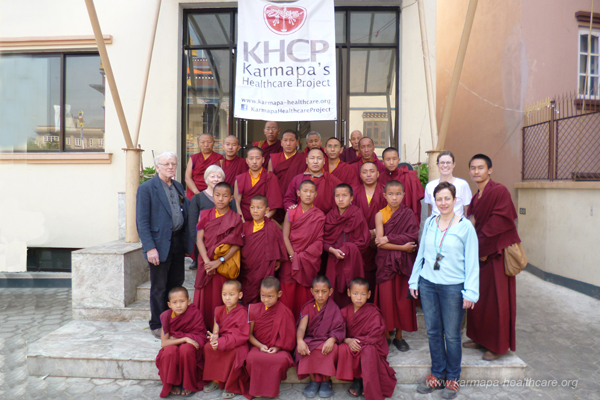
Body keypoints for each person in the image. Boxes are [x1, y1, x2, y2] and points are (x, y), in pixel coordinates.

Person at [408, 181, 479, 399]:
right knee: (433, 332)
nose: (443, 202)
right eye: (439, 199)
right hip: (428, 284)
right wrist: (414, 280)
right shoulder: (430, 222)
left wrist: (470, 292)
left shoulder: (465, 227)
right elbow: (421, 253)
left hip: (453, 287)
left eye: (447, 198)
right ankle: (437, 374)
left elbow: (472, 262)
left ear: (455, 200)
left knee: (452, 334)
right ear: (434, 202)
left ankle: (452, 378)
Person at [464, 154, 520, 361]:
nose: (476, 171)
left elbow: (500, 221)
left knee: (497, 302)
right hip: (479, 254)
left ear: (490, 170)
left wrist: (477, 243)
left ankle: (497, 346)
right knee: (479, 300)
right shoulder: (476, 196)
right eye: (473, 168)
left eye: (480, 167)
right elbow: (472, 221)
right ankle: (480, 338)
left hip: (495, 254)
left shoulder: (499, 191)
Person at [137, 151, 189, 338]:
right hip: (158, 245)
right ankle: (157, 324)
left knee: (176, 283)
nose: (170, 167)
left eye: (173, 164)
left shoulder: (177, 186)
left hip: (176, 242)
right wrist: (150, 248)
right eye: (166, 164)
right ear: (157, 167)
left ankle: (173, 320)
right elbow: (142, 222)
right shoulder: (147, 188)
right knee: (159, 287)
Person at [374, 180, 419, 352]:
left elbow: (412, 237)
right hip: (386, 264)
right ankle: (386, 335)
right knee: (386, 301)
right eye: (391, 194)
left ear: (403, 195)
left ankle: (399, 336)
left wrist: (389, 238)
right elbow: (380, 243)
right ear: (384, 195)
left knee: (402, 300)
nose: (394, 197)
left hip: (403, 265)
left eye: (398, 194)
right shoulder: (380, 214)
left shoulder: (408, 214)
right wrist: (402, 247)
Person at [335, 278, 397, 400]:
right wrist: (347, 340)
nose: (359, 298)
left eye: (363, 294)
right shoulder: (344, 312)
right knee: (343, 348)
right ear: (349, 293)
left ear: (369, 295)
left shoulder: (373, 312)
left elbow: (377, 334)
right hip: (352, 344)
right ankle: (358, 379)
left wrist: (358, 341)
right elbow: (337, 331)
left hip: (368, 345)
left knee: (368, 351)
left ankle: (367, 383)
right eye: (355, 293)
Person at [193, 182, 243, 330]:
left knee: (220, 297)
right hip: (206, 263)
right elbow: (199, 239)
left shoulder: (235, 218)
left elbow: (236, 244)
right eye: (217, 195)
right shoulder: (205, 214)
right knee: (205, 298)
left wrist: (219, 261)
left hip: (224, 266)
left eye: (225, 196)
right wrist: (208, 262)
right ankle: (202, 329)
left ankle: (221, 331)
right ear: (212, 196)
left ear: (231, 198)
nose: (220, 199)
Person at [280, 180, 326, 318]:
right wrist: (293, 255)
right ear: (298, 193)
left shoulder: (319, 215)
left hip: (307, 262)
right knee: (287, 296)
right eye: (305, 191)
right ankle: (286, 326)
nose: (308, 194)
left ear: (316, 194)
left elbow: (319, 241)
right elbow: (285, 236)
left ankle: (304, 327)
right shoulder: (291, 212)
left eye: (312, 192)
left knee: (303, 296)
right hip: (290, 260)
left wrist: (303, 257)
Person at [245, 277, 296, 399]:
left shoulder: (285, 312)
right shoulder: (254, 309)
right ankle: (256, 390)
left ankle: (270, 391)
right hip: (258, 345)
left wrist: (277, 347)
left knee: (281, 360)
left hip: (278, 348)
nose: (266, 300)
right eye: (263, 296)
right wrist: (260, 346)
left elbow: (290, 338)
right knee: (252, 358)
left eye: (270, 296)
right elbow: (249, 335)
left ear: (279, 294)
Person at [296, 276, 345, 399]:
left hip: (326, 340)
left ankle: (326, 381)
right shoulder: (308, 307)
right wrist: (299, 341)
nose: (320, 295)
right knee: (306, 348)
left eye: (324, 291)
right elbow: (302, 328)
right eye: (317, 291)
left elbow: (339, 328)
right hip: (311, 339)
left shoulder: (334, 308)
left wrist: (332, 339)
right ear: (312, 291)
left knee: (332, 348)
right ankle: (313, 381)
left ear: (330, 292)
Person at [323, 184, 369, 308]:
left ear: (351, 197)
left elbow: (365, 240)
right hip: (334, 259)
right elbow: (323, 241)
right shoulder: (330, 216)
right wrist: (333, 251)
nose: (341, 199)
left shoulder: (357, 214)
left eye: (344, 195)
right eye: (337, 196)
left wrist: (347, 249)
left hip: (352, 260)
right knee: (333, 291)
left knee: (353, 291)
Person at [156, 287, 207, 398]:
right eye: (175, 302)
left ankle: (188, 384)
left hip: (189, 345)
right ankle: (171, 383)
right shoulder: (166, 316)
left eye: (182, 301)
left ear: (188, 301)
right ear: (169, 305)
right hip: (176, 343)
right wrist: (184, 339)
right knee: (169, 351)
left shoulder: (195, 313)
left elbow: (201, 337)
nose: (178, 305)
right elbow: (164, 343)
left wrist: (181, 339)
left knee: (186, 349)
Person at [202, 280, 250, 398]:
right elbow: (216, 331)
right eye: (224, 294)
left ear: (240, 295)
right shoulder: (218, 310)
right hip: (223, 339)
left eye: (231, 294)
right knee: (208, 347)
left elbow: (242, 335)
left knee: (233, 353)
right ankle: (215, 380)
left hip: (237, 343)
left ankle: (230, 386)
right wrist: (214, 339)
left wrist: (222, 342)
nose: (227, 298)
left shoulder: (243, 312)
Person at [240, 195, 288, 305]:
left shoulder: (272, 226)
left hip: (265, 267)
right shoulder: (245, 226)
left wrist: (278, 260)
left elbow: (279, 243)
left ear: (266, 210)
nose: (255, 211)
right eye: (252, 207)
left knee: (265, 291)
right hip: (248, 268)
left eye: (259, 208)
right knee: (248, 293)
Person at [188, 165, 237, 271]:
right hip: (203, 246)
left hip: (225, 247)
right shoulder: (198, 198)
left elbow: (235, 220)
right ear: (206, 179)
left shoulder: (229, 199)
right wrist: (199, 244)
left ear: (223, 179)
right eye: (212, 176)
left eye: (219, 176)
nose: (216, 179)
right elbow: (192, 225)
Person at [352, 162, 387, 292]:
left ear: (378, 174)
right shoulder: (354, 193)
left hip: (380, 240)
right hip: (359, 241)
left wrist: (376, 233)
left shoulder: (385, 191)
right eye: (365, 172)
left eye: (372, 171)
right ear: (360, 175)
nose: (368, 174)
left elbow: (390, 217)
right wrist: (366, 235)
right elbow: (350, 218)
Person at [283, 148, 342, 215]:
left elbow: (342, 198)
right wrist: (291, 208)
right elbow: (288, 199)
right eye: (312, 158)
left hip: (324, 219)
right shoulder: (297, 179)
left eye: (319, 158)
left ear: (324, 161)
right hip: (300, 217)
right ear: (307, 161)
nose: (315, 161)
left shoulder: (331, 179)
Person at [234, 146, 283, 222]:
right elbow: (237, 203)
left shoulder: (270, 177)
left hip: (265, 221)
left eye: (257, 158)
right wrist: (243, 223)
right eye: (251, 158)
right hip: (245, 222)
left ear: (263, 160)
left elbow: (274, 205)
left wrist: (262, 221)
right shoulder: (240, 179)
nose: (254, 162)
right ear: (246, 160)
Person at [378, 147, 425, 224]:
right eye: (388, 159)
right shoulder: (380, 178)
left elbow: (417, 200)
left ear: (399, 160)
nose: (391, 162)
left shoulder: (409, 177)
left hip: (406, 220)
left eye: (394, 159)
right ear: (383, 161)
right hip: (386, 220)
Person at [424, 150, 472, 217]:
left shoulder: (462, 184)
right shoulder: (430, 186)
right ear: (437, 165)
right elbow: (432, 208)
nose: (445, 165)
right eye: (442, 163)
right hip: (436, 224)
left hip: (457, 225)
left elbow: (467, 211)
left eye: (448, 162)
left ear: (454, 165)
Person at [185, 134, 224, 199]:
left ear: (213, 143)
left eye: (209, 142)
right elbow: (188, 178)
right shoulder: (193, 158)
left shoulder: (219, 158)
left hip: (213, 193)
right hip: (195, 193)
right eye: (202, 142)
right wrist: (197, 192)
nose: (206, 145)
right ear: (198, 143)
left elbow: (222, 177)